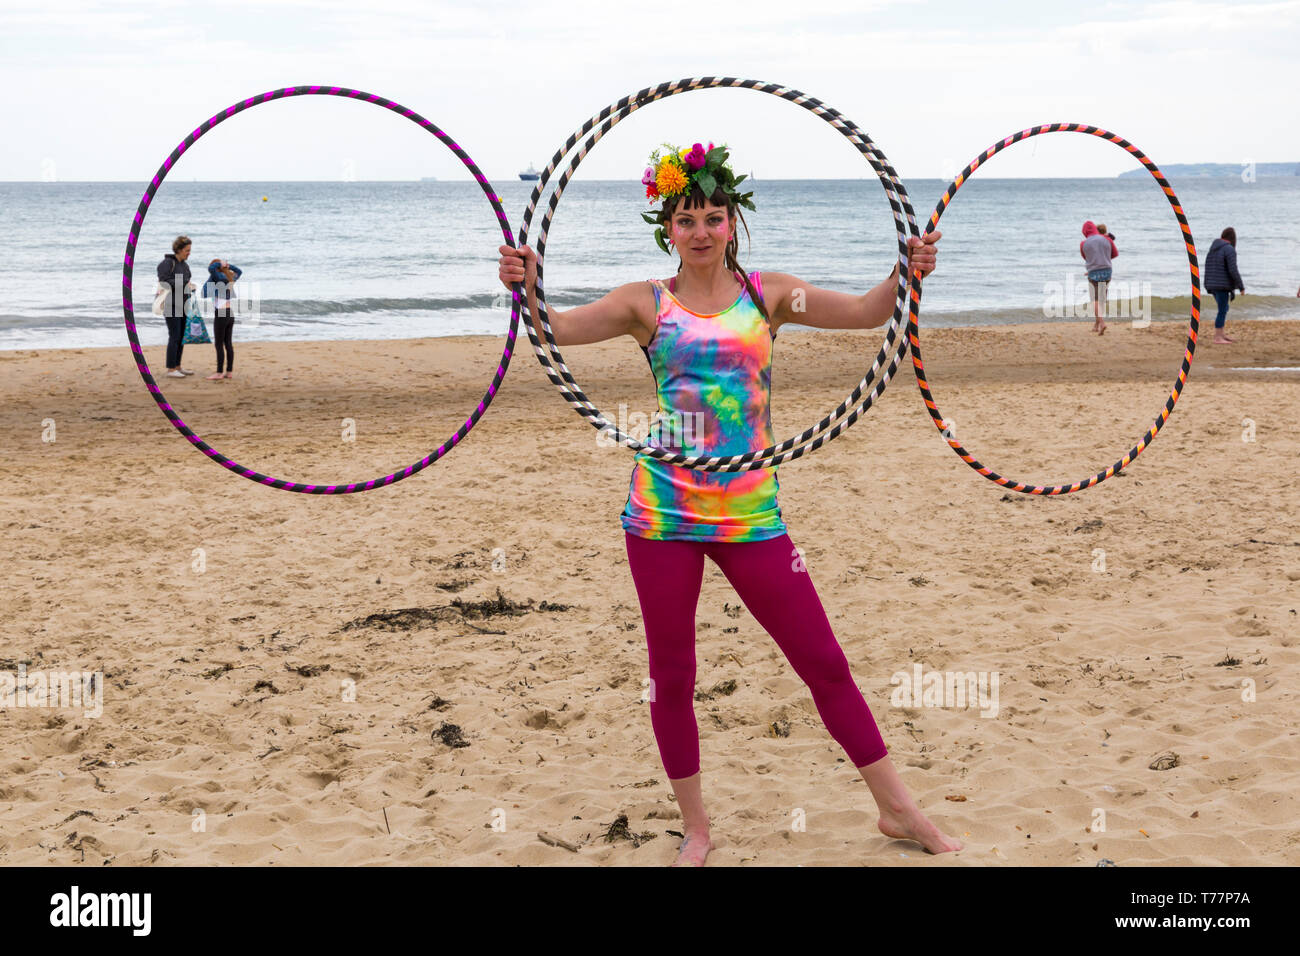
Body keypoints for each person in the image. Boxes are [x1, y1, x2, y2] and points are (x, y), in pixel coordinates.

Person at [498, 142, 959, 867]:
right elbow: (554, 329)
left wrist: (908, 270)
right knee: (673, 672)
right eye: (688, 219)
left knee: (824, 663)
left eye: (716, 216)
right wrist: (522, 285)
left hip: (750, 514)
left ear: (734, 223)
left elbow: (872, 313)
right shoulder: (642, 303)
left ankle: (897, 809)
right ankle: (697, 827)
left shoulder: (770, 295)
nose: (704, 230)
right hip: (663, 515)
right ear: (668, 228)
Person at [156, 236, 196, 377]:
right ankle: (171, 369)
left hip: (184, 304)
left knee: (181, 336)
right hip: (170, 304)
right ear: (178, 250)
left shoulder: (184, 265)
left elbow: (186, 280)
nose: (189, 253)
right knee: (174, 336)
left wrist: (190, 287)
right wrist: (183, 283)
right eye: (187, 250)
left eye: (190, 250)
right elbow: (163, 281)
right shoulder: (167, 263)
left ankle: (178, 366)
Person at [1203, 227, 1245, 344]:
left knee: (1224, 308)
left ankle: (1221, 334)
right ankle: (1217, 337)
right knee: (1222, 310)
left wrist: (1207, 284)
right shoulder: (1229, 249)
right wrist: (1241, 286)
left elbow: (1208, 266)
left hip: (1212, 284)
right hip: (1221, 285)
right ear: (1233, 238)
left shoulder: (1213, 249)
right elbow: (1233, 269)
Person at [203, 258, 242, 380]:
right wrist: (229, 266)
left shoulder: (218, 278)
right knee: (228, 343)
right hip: (230, 313)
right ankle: (229, 372)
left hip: (221, 313)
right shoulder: (229, 277)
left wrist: (220, 264)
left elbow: (211, 269)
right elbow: (239, 271)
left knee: (219, 344)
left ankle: (219, 372)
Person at [1079, 220, 1118, 335]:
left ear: (1085, 232)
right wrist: (1104, 259)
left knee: (1095, 300)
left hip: (1094, 273)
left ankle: (1102, 323)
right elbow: (1114, 254)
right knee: (1101, 299)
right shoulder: (1107, 239)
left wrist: (1093, 267)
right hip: (1107, 271)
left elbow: (1087, 258)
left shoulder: (1083, 244)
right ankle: (1097, 324)